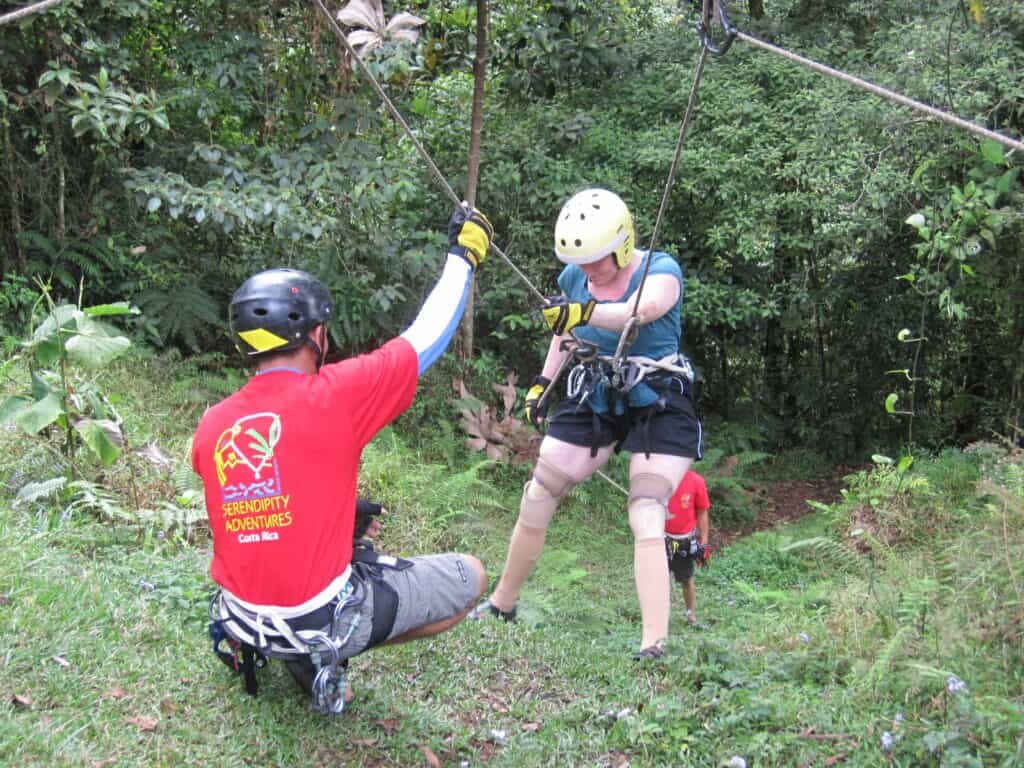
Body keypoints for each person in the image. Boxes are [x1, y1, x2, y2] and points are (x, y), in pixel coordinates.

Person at [193, 205, 493, 713]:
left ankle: (290, 647)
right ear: (316, 335)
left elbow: (258, 495)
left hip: (239, 615)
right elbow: (427, 338)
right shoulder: (335, 394)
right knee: (473, 577)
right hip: (314, 618)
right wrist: (463, 257)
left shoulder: (213, 423)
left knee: (347, 526)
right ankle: (322, 652)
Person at [471, 188, 703, 659]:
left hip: (658, 395)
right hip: (598, 391)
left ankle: (654, 642)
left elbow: (642, 311)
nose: (588, 272)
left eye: (597, 261)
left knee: (646, 507)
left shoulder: (661, 270)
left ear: (621, 246)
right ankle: (501, 604)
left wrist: (586, 311)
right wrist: (542, 384)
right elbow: (565, 333)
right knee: (541, 488)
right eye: (581, 264)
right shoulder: (575, 279)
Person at [665, 470, 711, 625]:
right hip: (661, 537)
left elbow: (702, 511)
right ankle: (661, 617)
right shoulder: (659, 478)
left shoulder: (696, 480)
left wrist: (703, 543)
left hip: (684, 540)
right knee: (660, 579)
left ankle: (690, 614)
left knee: (687, 579)